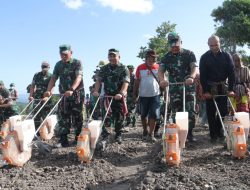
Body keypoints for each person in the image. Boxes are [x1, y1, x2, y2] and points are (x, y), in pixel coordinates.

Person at [158, 32, 198, 142]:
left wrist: (191, 77)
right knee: (177, 111)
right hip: (174, 88)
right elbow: (161, 71)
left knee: (190, 110)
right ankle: (178, 133)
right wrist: (162, 80)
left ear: (181, 42)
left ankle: (189, 133)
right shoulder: (166, 57)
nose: (174, 48)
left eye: (176, 45)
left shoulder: (189, 54)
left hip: (188, 86)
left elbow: (194, 68)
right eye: (172, 46)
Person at [44, 45, 85, 147]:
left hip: (77, 94)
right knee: (62, 116)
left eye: (65, 54)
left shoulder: (77, 63)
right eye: (61, 54)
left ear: (71, 52)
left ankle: (77, 138)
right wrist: (48, 90)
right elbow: (53, 78)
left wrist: (71, 89)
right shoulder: (58, 65)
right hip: (64, 95)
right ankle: (63, 140)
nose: (63, 56)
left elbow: (79, 77)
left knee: (77, 116)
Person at [199, 35, 235, 143]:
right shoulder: (204, 57)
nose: (214, 47)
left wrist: (231, 89)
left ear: (220, 43)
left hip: (223, 87)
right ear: (208, 45)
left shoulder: (227, 56)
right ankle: (213, 135)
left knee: (223, 111)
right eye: (211, 45)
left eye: (216, 44)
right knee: (210, 112)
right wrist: (205, 91)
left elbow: (231, 73)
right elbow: (203, 76)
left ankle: (220, 132)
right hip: (210, 87)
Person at [93, 48, 130, 144]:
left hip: (118, 96)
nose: (112, 58)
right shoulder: (104, 69)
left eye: (114, 56)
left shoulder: (124, 68)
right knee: (106, 116)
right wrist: (96, 91)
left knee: (119, 117)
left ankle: (118, 134)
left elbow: (125, 82)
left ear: (119, 57)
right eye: (110, 56)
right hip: (107, 97)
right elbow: (98, 81)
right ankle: (105, 135)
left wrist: (121, 93)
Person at [133, 49, 161, 142]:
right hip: (143, 95)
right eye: (149, 58)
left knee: (153, 114)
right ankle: (145, 131)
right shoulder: (140, 67)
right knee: (143, 115)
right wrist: (135, 94)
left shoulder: (159, 67)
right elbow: (137, 81)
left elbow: (162, 80)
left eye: (153, 58)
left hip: (155, 95)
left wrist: (165, 93)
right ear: (146, 59)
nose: (151, 60)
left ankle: (151, 134)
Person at [29, 61, 52, 130]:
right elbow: (33, 86)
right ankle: (37, 131)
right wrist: (31, 95)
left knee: (46, 115)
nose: (44, 69)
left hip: (46, 98)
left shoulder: (51, 76)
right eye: (43, 67)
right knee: (36, 115)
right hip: (37, 97)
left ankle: (48, 131)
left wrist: (47, 97)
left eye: (46, 67)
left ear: (49, 68)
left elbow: (52, 87)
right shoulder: (36, 75)